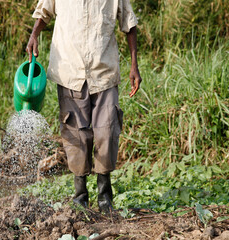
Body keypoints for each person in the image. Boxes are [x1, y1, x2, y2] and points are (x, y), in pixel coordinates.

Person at [26, 0, 142, 213]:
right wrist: (34, 35)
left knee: (107, 133)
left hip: (104, 72)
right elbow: (44, 12)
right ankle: (80, 196)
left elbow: (129, 23)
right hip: (70, 71)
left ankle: (105, 197)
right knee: (76, 136)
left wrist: (134, 66)